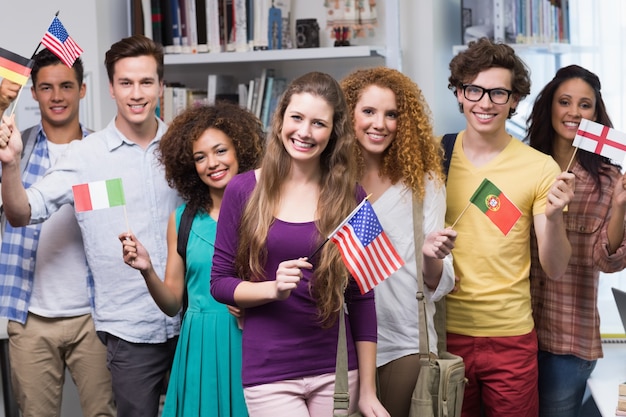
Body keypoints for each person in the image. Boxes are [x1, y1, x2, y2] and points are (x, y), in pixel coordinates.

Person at [0, 34, 181, 417]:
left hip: (190, 321)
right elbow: (22, 212)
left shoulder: (182, 146)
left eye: (146, 82)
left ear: (161, 87)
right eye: (125, 83)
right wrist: (11, 164)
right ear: (111, 88)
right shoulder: (87, 158)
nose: (136, 93)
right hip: (127, 331)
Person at [210, 71, 389, 417]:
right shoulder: (242, 190)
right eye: (297, 118)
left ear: (333, 133)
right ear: (280, 121)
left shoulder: (354, 197)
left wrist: (368, 391)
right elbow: (219, 282)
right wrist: (271, 290)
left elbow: (363, 296)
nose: (304, 132)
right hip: (268, 373)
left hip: (336, 370)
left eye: (318, 123)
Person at [443, 37, 575, 417]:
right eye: (475, 90)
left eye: (498, 93)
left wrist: (552, 218)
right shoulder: (434, 157)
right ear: (460, 94)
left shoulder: (540, 168)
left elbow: (555, 267)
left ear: (515, 100)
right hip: (444, 334)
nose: (485, 103)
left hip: (511, 335)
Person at [119, 103, 264, 416]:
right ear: (190, 166)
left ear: (240, 150)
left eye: (220, 150)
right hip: (200, 346)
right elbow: (172, 303)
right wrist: (147, 271)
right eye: (200, 157)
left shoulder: (267, 214)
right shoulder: (182, 220)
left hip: (254, 341)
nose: (212, 163)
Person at [0, 49, 115, 417]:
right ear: (32, 92)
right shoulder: (13, 150)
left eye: (67, 86)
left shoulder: (104, 153)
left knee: (104, 413)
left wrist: (66, 194)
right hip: (30, 315)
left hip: (95, 316)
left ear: (82, 90)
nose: (57, 96)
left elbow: (111, 215)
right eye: (46, 87)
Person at [340, 66, 456, 417]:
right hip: (337, 340)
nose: (380, 123)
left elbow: (439, 281)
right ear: (348, 114)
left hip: (404, 339)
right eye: (369, 111)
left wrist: (431, 256)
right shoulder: (330, 180)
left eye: (392, 114)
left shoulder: (424, 184)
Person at [526, 64, 626, 417]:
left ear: (596, 114)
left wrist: (618, 207)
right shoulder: (523, 166)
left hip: (567, 343)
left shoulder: (607, 178)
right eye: (564, 101)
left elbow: (609, 261)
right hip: (514, 333)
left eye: (585, 105)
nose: (573, 112)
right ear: (549, 105)